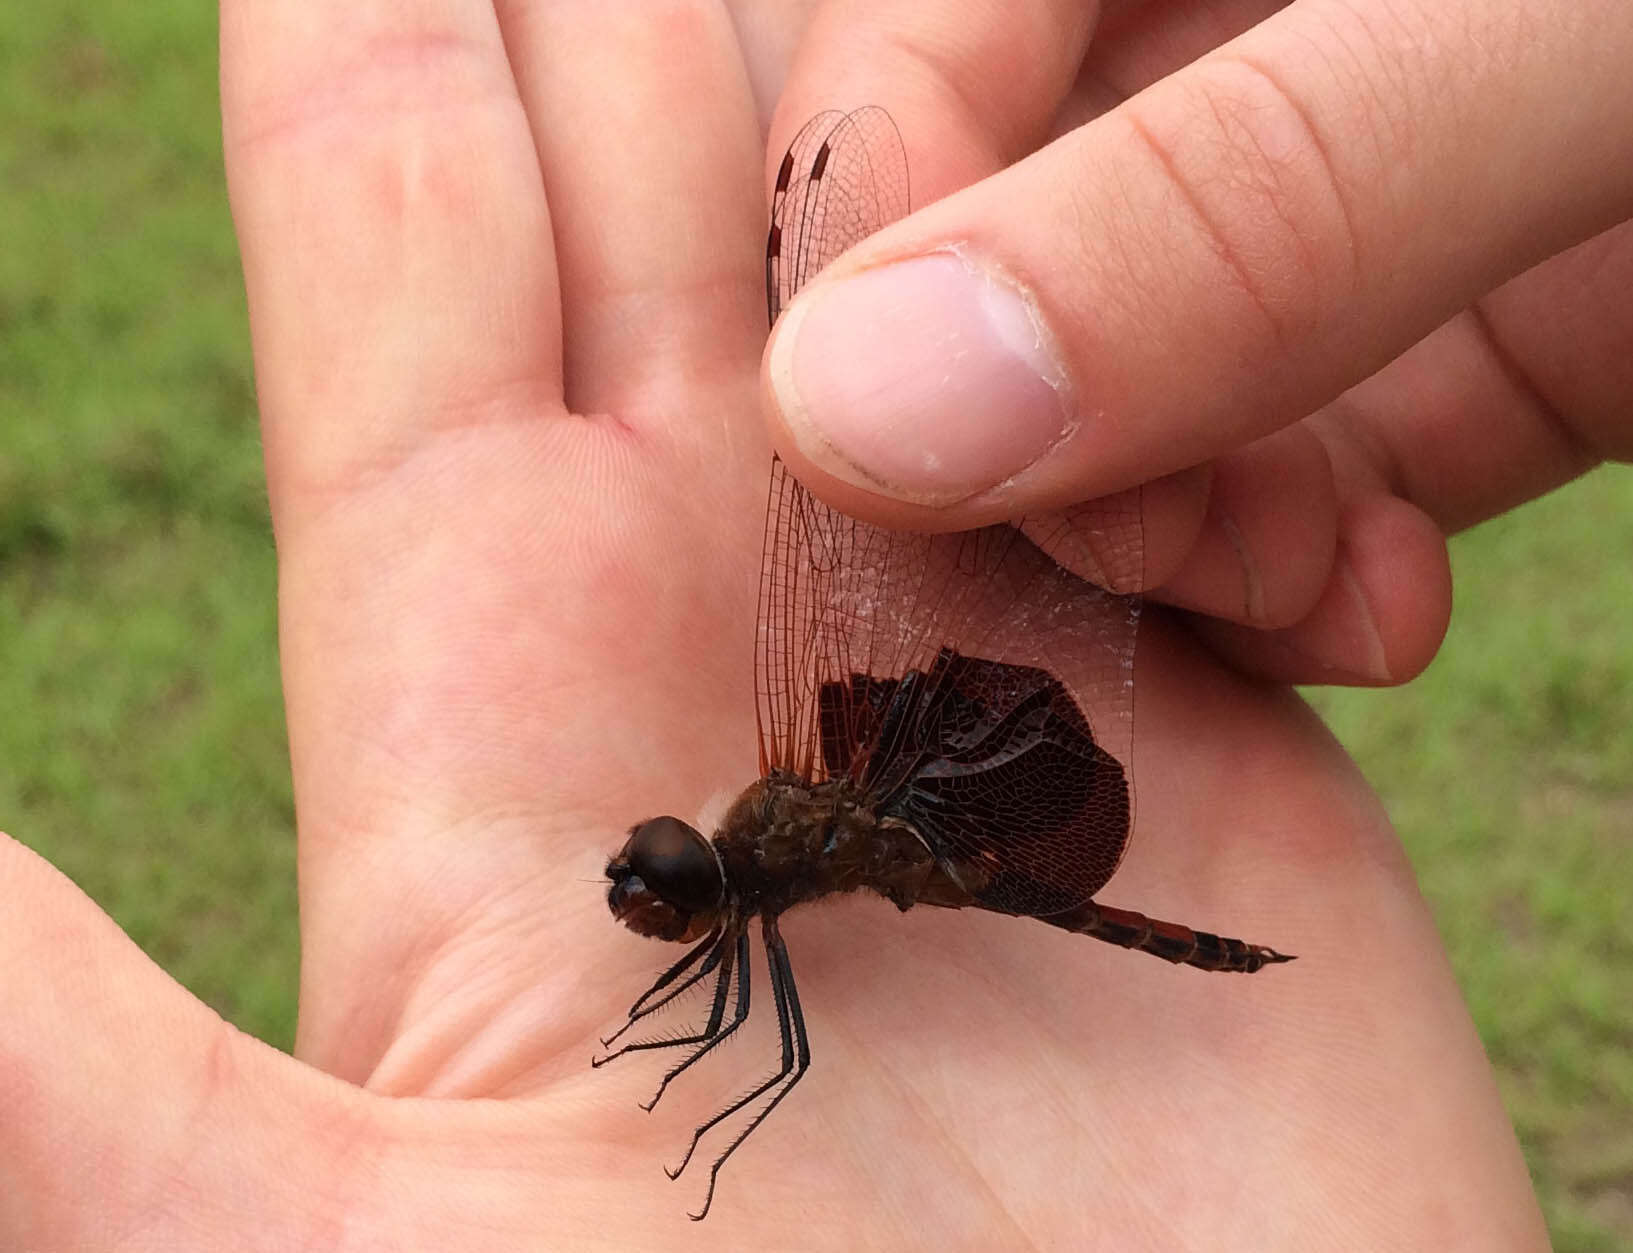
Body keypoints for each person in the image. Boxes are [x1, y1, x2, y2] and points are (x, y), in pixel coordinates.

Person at [14, 0, 1626, 1243]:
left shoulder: (769, 862)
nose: (643, 892)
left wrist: (688, 1122)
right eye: (657, 878)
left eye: (653, 886)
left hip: (1008, 830)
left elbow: (766, 1059)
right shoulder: (766, 849)